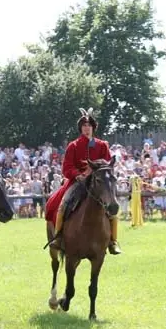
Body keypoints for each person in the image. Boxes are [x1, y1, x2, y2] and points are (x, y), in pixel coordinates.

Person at [46, 108, 122, 255]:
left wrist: (94, 172)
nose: (87, 128)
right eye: (84, 126)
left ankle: (113, 241)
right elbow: (67, 167)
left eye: (89, 125)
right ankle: (58, 238)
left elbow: (107, 164)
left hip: (98, 182)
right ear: (81, 128)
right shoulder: (73, 146)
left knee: (112, 207)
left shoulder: (102, 145)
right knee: (62, 205)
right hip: (77, 182)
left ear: (93, 127)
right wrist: (78, 175)